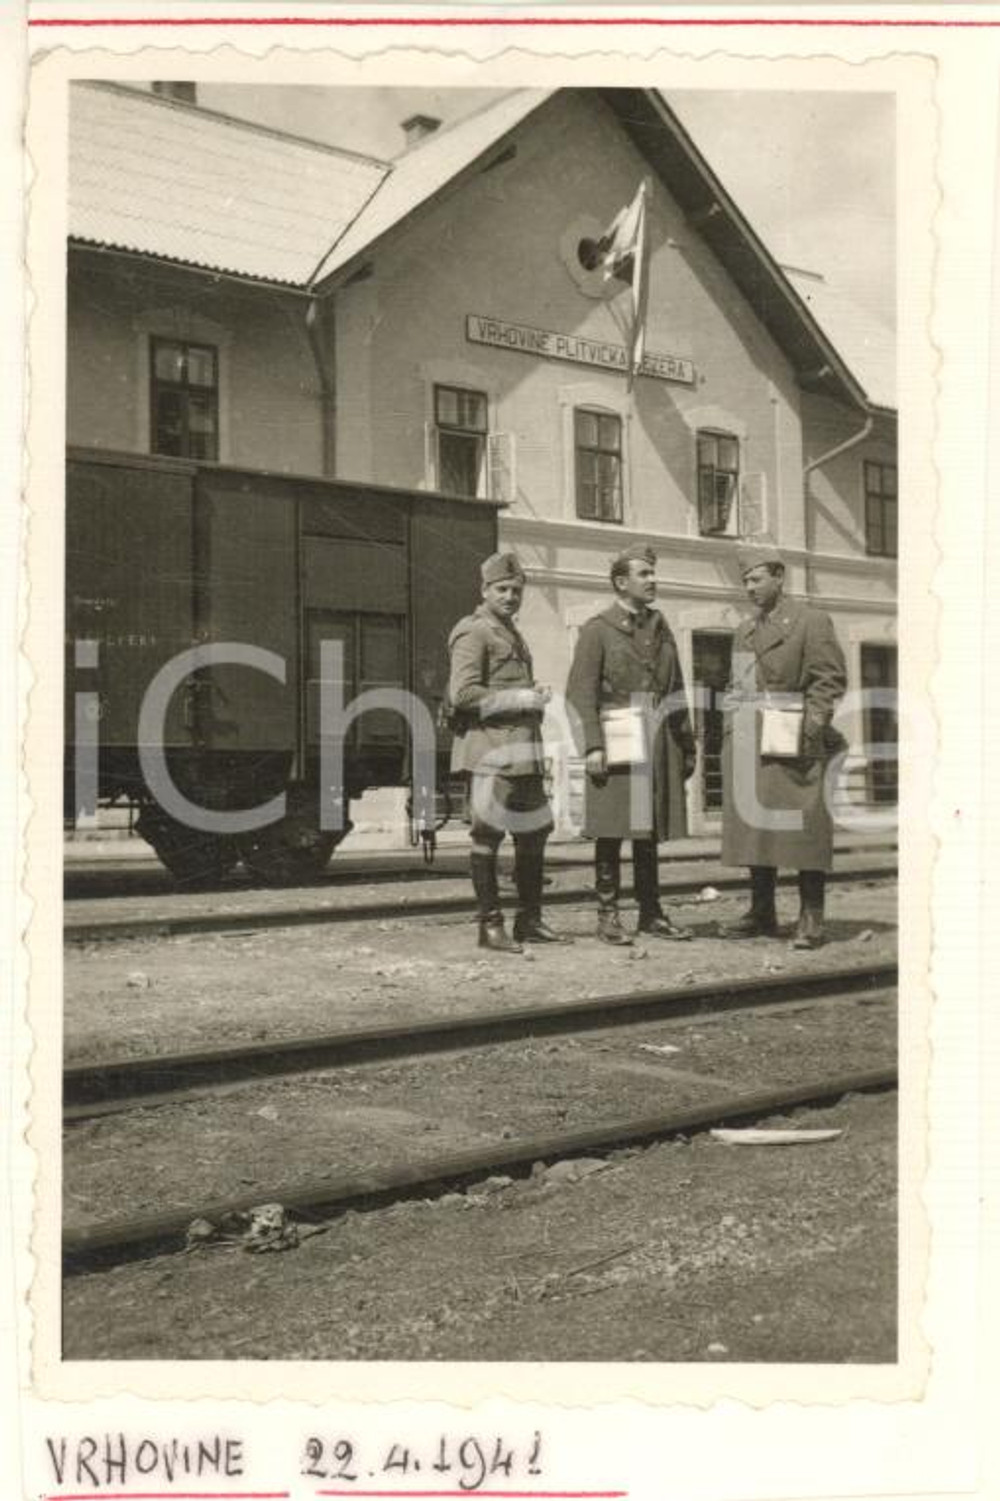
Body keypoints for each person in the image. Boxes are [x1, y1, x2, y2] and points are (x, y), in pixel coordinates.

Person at [566, 543, 696, 945]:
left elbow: (676, 688)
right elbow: (579, 693)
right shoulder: (598, 630)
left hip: (656, 743)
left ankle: (651, 913)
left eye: (653, 573)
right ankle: (608, 915)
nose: (653, 580)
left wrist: (685, 742)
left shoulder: (660, 627)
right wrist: (592, 746)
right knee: (610, 831)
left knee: (648, 830)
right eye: (644, 574)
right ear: (622, 583)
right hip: (616, 739)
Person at [721, 543, 848, 949]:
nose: (749, 588)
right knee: (756, 827)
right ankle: (763, 911)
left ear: (779, 577)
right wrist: (730, 729)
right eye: (745, 581)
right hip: (751, 739)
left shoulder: (811, 621)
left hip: (795, 737)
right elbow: (738, 684)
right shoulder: (745, 630)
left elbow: (829, 679)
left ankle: (811, 916)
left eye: (756, 579)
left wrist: (811, 727)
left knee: (805, 827)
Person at [448, 549, 569, 953]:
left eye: (516, 590)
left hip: (523, 753)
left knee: (535, 833)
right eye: (502, 589)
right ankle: (490, 926)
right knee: (487, 836)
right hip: (490, 752)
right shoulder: (473, 631)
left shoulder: (511, 633)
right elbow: (462, 694)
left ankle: (530, 920)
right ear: (485, 590)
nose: (510, 597)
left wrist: (531, 694)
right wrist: (522, 697)